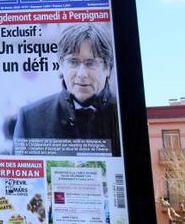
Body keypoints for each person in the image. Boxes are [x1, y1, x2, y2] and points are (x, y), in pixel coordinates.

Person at [13, 24, 120, 156]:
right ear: (61, 66)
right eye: (73, 62)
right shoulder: (30, 119)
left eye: (91, 63)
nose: (81, 74)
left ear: (108, 68)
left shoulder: (123, 116)